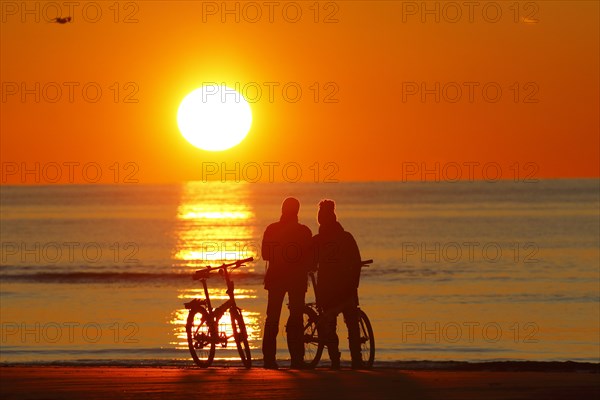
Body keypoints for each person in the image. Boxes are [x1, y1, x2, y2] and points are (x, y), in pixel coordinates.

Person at [261, 197, 313, 369]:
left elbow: (265, 255)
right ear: (297, 211)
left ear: (283, 210)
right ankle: (297, 360)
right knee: (296, 319)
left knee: (272, 319)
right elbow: (309, 258)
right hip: (296, 279)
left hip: (276, 278)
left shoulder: (272, 229)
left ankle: (269, 360)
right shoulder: (304, 231)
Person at [312, 199, 363, 370]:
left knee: (329, 325)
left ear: (320, 219)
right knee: (352, 325)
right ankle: (357, 360)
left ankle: (335, 361)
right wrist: (354, 284)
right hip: (347, 288)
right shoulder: (346, 237)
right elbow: (356, 262)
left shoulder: (317, 240)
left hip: (327, 290)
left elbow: (311, 264)